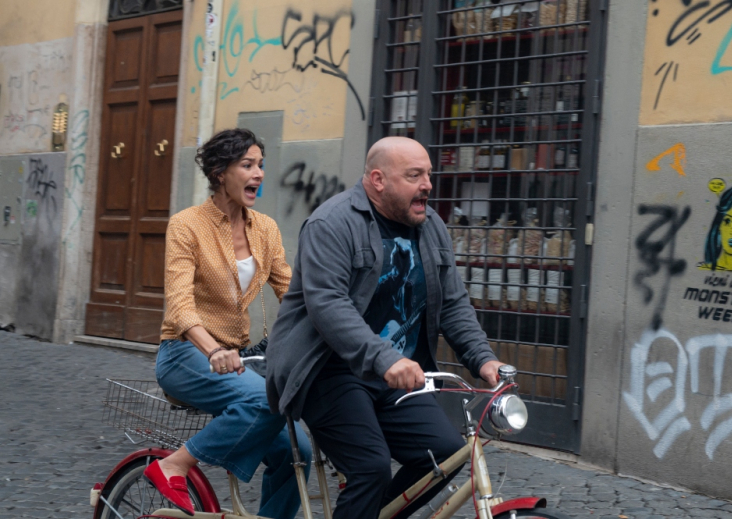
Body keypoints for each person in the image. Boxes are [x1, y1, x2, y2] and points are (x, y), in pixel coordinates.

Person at [266, 136, 504, 518]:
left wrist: (483, 358)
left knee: (445, 454)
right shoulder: (332, 223)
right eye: (414, 175)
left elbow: (452, 303)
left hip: (396, 376)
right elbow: (328, 305)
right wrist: (385, 358)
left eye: (428, 174)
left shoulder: (431, 226)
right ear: (378, 180)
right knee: (370, 468)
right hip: (327, 370)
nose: (427, 185)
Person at [145, 128, 311, 518]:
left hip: (239, 360)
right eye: (248, 165)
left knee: (297, 453)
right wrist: (214, 350)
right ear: (220, 173)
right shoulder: (187, 225)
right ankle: (173, 466)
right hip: (185, 354)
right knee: (265, 400)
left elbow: (293, 293)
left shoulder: (265, 228)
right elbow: (180, 306)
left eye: (261, 165)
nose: (259, 173)